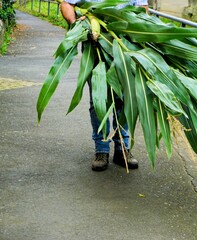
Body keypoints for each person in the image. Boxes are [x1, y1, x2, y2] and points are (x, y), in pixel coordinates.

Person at [60, 0, 149, 171]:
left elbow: (142, 8)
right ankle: (101, 150)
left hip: (124, 47)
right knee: (98, 100)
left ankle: (122, 149)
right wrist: (77, 26)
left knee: (124, 98)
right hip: (95, 48)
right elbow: (66, 4)